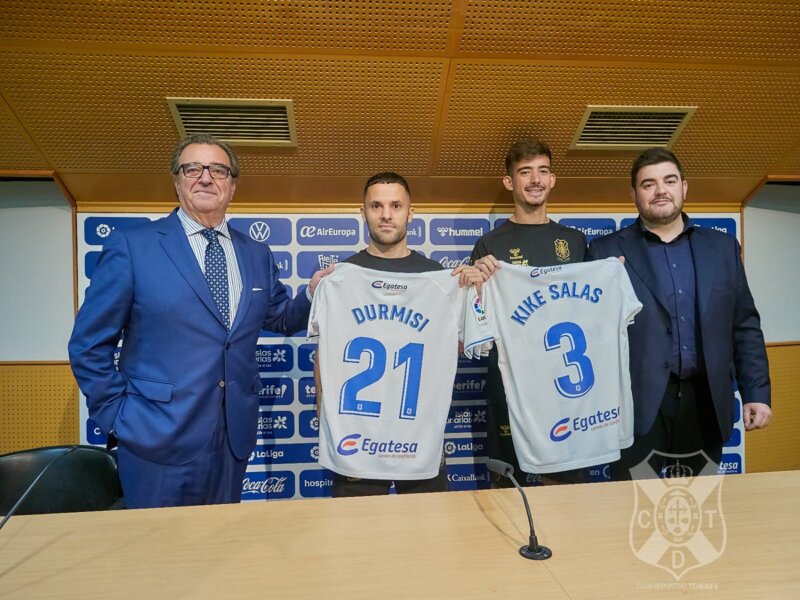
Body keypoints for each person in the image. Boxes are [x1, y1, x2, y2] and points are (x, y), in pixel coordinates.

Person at [68, 133, 331, 508]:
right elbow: (88, 344)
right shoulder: (133, 246)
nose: (205, 177)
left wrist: (312, 293)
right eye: (193, 168)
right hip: (154, 437)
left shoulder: (255, 253)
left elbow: (280, 319)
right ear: (177, 180)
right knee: (156, 555)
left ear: (232, 184)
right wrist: (118, 416)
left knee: (219, 552)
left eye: (218, 170)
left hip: (231, 440)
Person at [587, 147, 771, 479]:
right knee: (631, 514)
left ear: (684, 187)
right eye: (648, 184)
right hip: (635, 407)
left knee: (698, 515)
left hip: (705, 403)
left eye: (669, 181)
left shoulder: (722, 248)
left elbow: (743, 326)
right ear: (634, 194)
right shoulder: (605, 252)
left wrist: (756, 393)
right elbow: (591, 332)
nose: (660, 190)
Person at [312, 172, 482, 497]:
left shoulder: (440, 279)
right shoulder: (340, 279)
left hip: (420, 440)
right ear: (362, 212)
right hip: (355, 440)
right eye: (376, 206)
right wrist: (324, 411)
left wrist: (475, 294)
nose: (386, 214)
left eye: (395, 205)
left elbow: (457, 347)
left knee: (424, 540)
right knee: (356, 541)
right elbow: (324, 351)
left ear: (411, 213)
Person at [470, 139, 590, 486]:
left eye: (543, 171)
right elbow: (475, 320)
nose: (535, 179)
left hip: (569, 389)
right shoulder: (489, 246)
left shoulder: (576, 241)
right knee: (511, 493)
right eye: (525, 172)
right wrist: (476, 284)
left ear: (553, 179)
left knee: (571, 495)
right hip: (511, 389)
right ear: (509, 182)